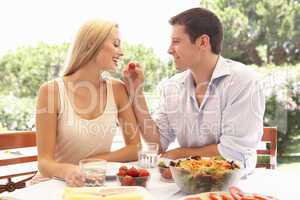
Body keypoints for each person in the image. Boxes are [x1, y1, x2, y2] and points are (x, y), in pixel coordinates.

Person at [123, 7, 265, 170]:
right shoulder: (172, 87)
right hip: (187, 181)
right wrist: (137, 92)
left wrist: (177, 154)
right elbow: (157, 142)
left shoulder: (243, 82)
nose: (169, 50)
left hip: (233, 185)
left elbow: (233, 153)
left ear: (203, 42)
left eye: (176, 41)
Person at [34, 19, 140, 186]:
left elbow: (135, 148)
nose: (121, 52)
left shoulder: (118, 90)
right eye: (116, 44)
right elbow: (44, 162)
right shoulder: (51, 91)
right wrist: (69, 170)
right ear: (92, 45)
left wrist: (96, 161)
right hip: (53, 185)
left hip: (93, 184)